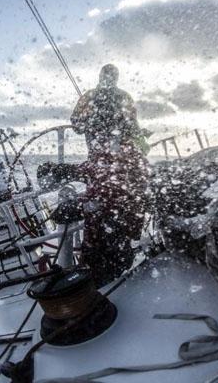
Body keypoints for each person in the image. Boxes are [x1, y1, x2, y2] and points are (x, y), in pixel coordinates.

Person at [71, 64, 149, 287]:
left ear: (100, 77)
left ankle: (99, 263)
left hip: (101, 161)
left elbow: (76, 124)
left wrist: (92, 121)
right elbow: (133, 127)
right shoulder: (124, 97)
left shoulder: (89, 97)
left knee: (100, 206)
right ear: (115, 78)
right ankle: (121, 253)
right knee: (122, 202)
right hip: (122, 161)